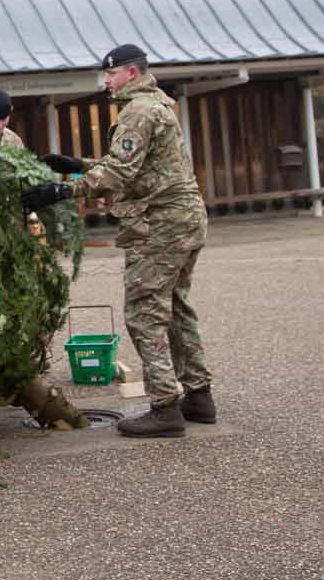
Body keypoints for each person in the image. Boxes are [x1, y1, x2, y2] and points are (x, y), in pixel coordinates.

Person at [25, 44, 213, 439]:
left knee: (145, 312)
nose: (105, 81)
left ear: (130, 72)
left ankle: (165, 407)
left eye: (110, 74)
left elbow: (119, 175)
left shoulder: (138, 111)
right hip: (185, 218)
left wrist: (62, 190)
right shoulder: (156, 104)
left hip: (161, 224)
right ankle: (198, 395)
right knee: (177, 307)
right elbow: (136, 168)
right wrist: (80, 165)